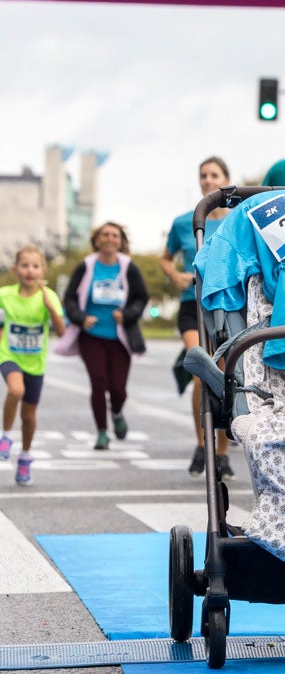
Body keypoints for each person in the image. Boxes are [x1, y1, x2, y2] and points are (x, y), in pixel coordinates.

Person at [160, 156, 234, 478]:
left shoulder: (239, 220)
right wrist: (174, 274)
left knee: (225, 373)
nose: (207, 180)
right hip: (192, 305)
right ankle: (202, 443)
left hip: (227, 306)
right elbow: (166, 258)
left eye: (214, 175)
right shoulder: (183, 222)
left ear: (226, 179)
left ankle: (222, 452)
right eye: (203, 175)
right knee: (199, 372)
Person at [59, 222, 148, 450]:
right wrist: (81, 318)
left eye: (114, 235)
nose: (109, 238)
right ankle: (101, 432)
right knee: (98, 382)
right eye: (105, 235)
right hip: (92, 336)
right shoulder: (86, 266)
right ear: (97, 240)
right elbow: (69, 298)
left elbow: (141, 298)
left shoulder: (129, 267)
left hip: (120, 338)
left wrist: (126, 314)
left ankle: (117, 413)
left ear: (120, 241)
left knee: (118, 389)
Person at [0, 246, 67, 485]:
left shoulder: (48, 296)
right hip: (9, 355)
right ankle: (6, 436)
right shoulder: (5, 294)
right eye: (25, 265)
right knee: (15, 390)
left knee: (29, 416)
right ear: (15, 269)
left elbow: (61, 331)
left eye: (35, 266)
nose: (30, 270)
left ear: (43, 270)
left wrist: (51, 309)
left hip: (35, 363)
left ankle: (25, 457)